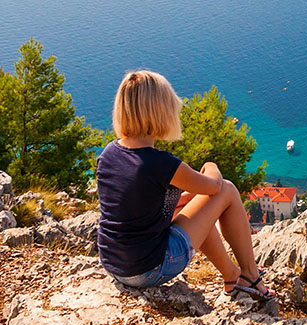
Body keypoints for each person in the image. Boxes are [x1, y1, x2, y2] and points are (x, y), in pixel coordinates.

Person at [96, 70, 273, 300]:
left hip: (114, 264)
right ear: (160, 112)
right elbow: (215, 186)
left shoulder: (109, 153)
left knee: (188, 203)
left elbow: (135, 206)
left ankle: (232, 275)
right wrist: (210, 164)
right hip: (148, 270)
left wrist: (188, 199)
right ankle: (249, 274)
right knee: (227, 189)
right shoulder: (160, 163)